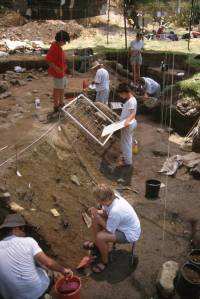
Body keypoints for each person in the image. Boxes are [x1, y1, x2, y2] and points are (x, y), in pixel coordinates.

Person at [0, 214, 73, 299]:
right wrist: (64, 270)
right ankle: (46, 294)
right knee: (48, 270)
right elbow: (48, 263)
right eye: (23, 229)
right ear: (16, 228)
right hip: (36, 292)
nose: (24, 233)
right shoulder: (28, 241)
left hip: (13, 296)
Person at [86, 184, 141, 273]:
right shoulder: (112, 198)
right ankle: (98, 246)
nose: (98, 202)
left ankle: (105, 261)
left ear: (106, 199)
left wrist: (97, 216)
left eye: (99, 200)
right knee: (95, 218)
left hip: (129, 233)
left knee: (101, 237)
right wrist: (96, 213)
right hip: (122, 224)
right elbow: (105, 212)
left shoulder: (116, 210)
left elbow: (109, 230)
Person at [46, 30, 70, 114]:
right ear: (61, 40)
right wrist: (56, 68)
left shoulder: (58, 46)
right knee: (57, 89)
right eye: (65, 41)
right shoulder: (54, 47)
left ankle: (61, 103)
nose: (65, 43)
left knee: (62, 88)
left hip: (62, 72)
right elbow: (48, 59)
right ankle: (56, 106)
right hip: (58, 73)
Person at [117, 83, 137, 166]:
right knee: (126, 141)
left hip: (128, 124)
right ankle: (126, 157)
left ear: (125, 92)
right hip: (129, 124)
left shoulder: (131, 101)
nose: (121, 96)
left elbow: (133, 113)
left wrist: (127, 121)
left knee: (126, 143)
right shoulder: (131, 100)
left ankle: (128, 161)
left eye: (121, 94)